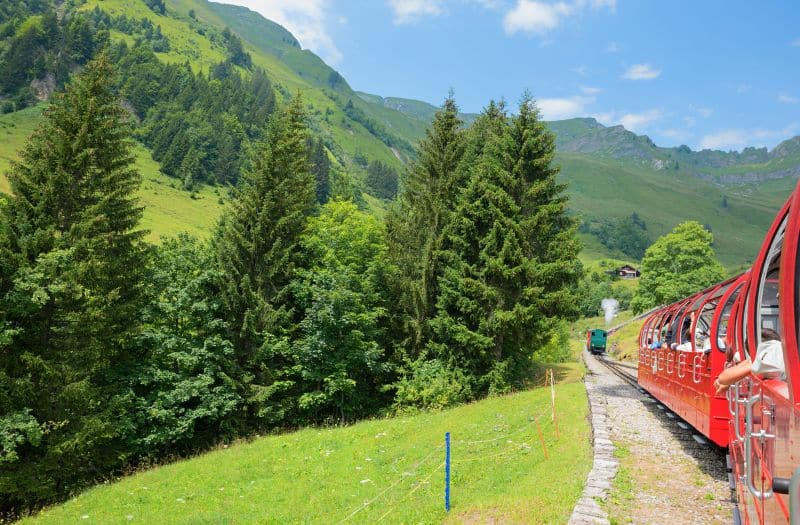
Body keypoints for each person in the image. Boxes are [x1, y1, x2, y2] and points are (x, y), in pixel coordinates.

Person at [714, 328, 784, 395]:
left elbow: (723, 378)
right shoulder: (776, 354)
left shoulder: (770, 359)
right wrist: (728, 384)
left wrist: (728, 382)